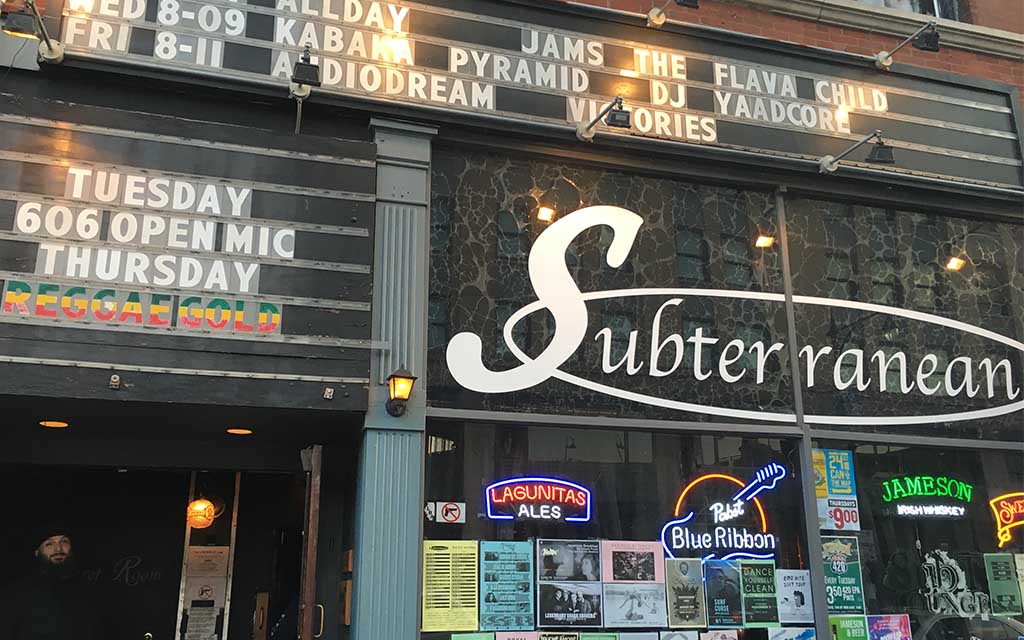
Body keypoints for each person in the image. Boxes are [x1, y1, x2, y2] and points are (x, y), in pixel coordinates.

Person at [0, 524, 102, 640]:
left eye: (64, 542)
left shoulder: (89, 590)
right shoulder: (16, 593)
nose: (58, 549)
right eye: (49, 544)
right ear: (37, 551)